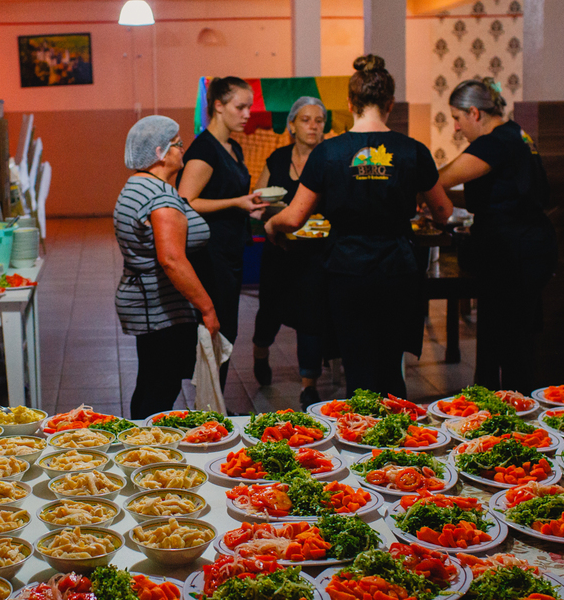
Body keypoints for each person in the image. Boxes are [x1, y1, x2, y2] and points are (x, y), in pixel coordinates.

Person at [265, 55, 453, 396]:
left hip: (346, 269)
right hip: (397, 267)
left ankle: (361, 440)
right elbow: (443, 210)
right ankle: (395, 440)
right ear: (390, 104)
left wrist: (271, 226)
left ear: (350, 104)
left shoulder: (328, 152)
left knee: (358, 366)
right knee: (391, 365)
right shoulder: (413, 151)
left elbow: (294, 217)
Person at [436, 78, 558, 392]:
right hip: (528, 246)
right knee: (506, 335)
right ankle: (499, 407)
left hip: (512, 253)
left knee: (509, 340)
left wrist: (424, 191)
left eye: (457, 118)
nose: (456, 128)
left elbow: (443, 178)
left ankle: (512, 413)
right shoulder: (517, 134)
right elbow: (498, 195)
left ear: (474, 113)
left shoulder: (494, 142)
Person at [114, 116, 219, 418]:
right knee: (161, 387)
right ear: (160, 152)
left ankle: (139, 442)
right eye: (178, 144)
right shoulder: (158, 198)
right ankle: (146, 451)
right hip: (158, 307)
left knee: (150, 381)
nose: (183, 150)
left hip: (148, 302)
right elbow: (172, 261)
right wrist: (207, 308)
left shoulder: (138, 185)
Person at [178, 76, 268, 388]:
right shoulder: (205, 149)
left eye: (249, 107)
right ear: (218, 106)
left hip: (231, 250)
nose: (247, 114)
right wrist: (236, 202)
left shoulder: (233, 148)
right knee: (217, 329)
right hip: (210, 254)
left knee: (228, 330)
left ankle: (214, 402)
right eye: (240, 107)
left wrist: (249, 207)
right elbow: (186, 201)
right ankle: (208, 406)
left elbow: (230, 198)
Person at [252, 96, 331, 408]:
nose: (313, 126)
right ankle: (260, 352)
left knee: (312, 317)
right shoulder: (277, 158)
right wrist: (271, 212)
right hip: (279, 251)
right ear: (292, 126)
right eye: (306, 120)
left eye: (319, 120)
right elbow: (257, 199)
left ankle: (308, 385)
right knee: (269, 313)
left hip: (314, 253)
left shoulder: (328, 159)